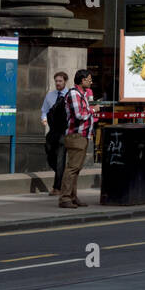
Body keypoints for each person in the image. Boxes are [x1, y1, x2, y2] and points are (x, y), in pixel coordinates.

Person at [59, 70, 94, 208]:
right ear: (82, 80)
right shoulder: (74, 93)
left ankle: (72, 196)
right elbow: (79, 115)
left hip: (82, 136)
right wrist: (93, 110)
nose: (91, 81)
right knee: (72, 168)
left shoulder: (82, 94)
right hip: (76, 136)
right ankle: (65, 198)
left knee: (76, 168)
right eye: (89, 79)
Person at [40, 72, 69, 196]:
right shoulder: (50, 96)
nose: (58, 83)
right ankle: (62, 175)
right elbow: (44, 111)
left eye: (60, 81)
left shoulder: (69, 95)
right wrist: (44, 118)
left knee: (60, 159)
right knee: (50, 154)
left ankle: (57, 187)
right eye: (56, 81)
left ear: (65, 81)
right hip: (52, 130)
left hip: (64, 131)